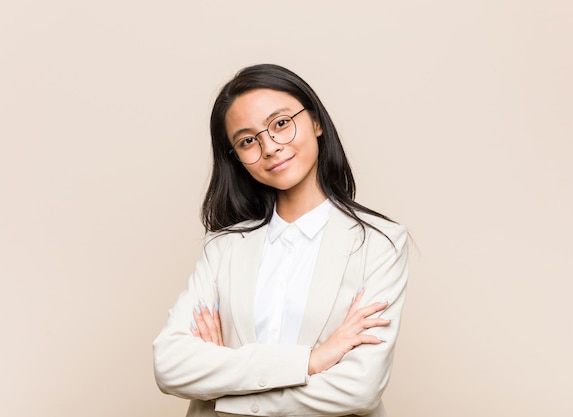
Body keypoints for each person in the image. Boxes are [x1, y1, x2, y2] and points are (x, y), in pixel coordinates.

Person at [153, 63, 409, 417]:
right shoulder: (222, 247)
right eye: (247, 141)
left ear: (316, 122)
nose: (270, 147)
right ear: (236, 157)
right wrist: (312, 361)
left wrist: (225, 386)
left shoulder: (380, 244)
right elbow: (169, 365)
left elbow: (359, 388)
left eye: (281, 123)